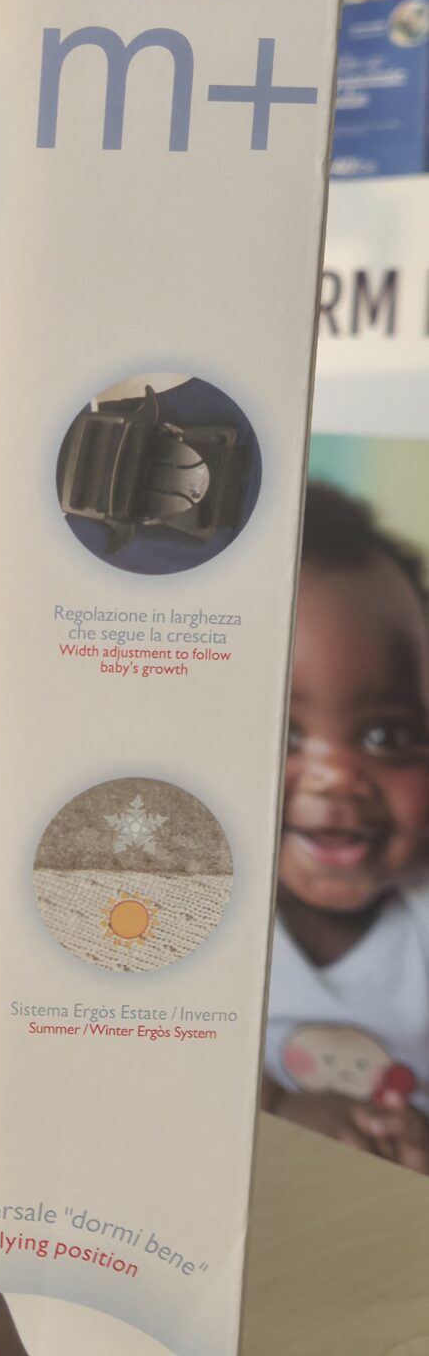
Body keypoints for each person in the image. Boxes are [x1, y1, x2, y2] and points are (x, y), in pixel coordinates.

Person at [267, 483, 429, 1173]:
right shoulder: (189, 926)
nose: (335, 777)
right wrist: (281, 1110)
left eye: (386, 735)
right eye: (284, 733)